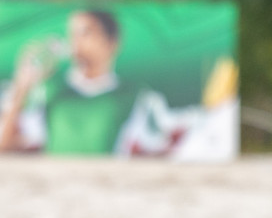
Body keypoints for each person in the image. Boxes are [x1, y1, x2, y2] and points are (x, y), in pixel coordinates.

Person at [0, 8, 162, 155]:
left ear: (111, 42)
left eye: (85, 33)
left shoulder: (134, 96)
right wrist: (22, 87)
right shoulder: (51, 90)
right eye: (72, 34)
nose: (76, 42)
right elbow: (5, 145)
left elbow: (155, 152)